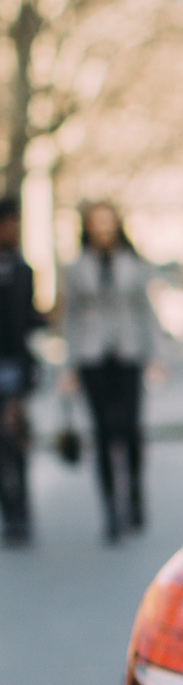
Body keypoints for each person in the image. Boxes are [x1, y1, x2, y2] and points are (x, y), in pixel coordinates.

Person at [60, 201, 157, 542]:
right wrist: (68, 365)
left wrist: (154, 356)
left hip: (128, 354)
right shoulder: (75, 267)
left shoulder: (133, 263)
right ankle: (110, 512)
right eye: (96, 224)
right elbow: (69, 318)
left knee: (130, 430)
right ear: (87, 228)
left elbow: (145, 311)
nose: (103, 230)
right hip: (92, 356)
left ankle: (133, 494)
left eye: (108, 223)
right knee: (101, 433)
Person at [0, 195, 41, 547]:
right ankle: (10, 509)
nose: (14, 230)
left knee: (16, 438)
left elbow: (27, 320)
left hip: (15, 367)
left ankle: (21, 511)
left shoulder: (24, 269)